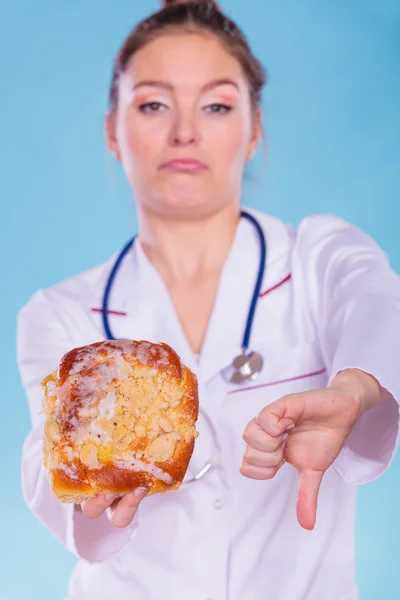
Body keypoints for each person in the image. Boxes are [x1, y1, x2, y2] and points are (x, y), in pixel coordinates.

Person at [17, 1, 400, 599]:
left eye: (217, 105)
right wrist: (90, 484)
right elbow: (47, 463)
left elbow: (377, 304)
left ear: (254, 132)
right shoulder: (60, 312)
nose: (185, 131)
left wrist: (353, 388)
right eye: (153, 104)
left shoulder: (317, 257)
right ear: (112, 132)